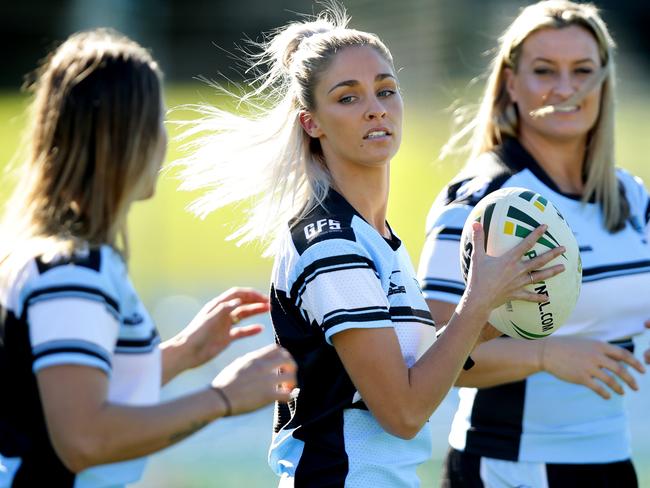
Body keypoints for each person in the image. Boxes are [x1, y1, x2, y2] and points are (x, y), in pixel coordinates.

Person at [175, 4, 566, 486]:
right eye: (348, 98)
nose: (376, 107)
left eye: (386, 90)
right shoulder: (331, 246)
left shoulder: (376, 238)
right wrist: (477, 300)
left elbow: (419, 367)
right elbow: (401, 413)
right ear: (311, 123)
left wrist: (500, 303)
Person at [0, 28, 296, 488]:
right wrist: (223, 398)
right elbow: (83, 438)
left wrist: (185, 353)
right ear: (121, 136)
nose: (164, 140)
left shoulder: (67, 257)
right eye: (156, 121)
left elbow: (79, 388)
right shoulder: (70, 271)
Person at [417, 1, 649, 486]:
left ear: (604, 83)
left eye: (582, 70)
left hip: (611, 461)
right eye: (545, 70)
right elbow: (429, 356)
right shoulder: (482, 199)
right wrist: (547, 354)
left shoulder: (630, 194)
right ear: (510, 83)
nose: (565, 88)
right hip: (510, 467)